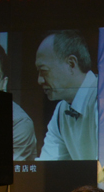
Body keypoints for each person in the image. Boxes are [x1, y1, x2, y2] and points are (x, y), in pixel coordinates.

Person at [35, 30, 97, 161]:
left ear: (71, 64)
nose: (39, 80)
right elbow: (48, 164)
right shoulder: (61, 109)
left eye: (44, 71)